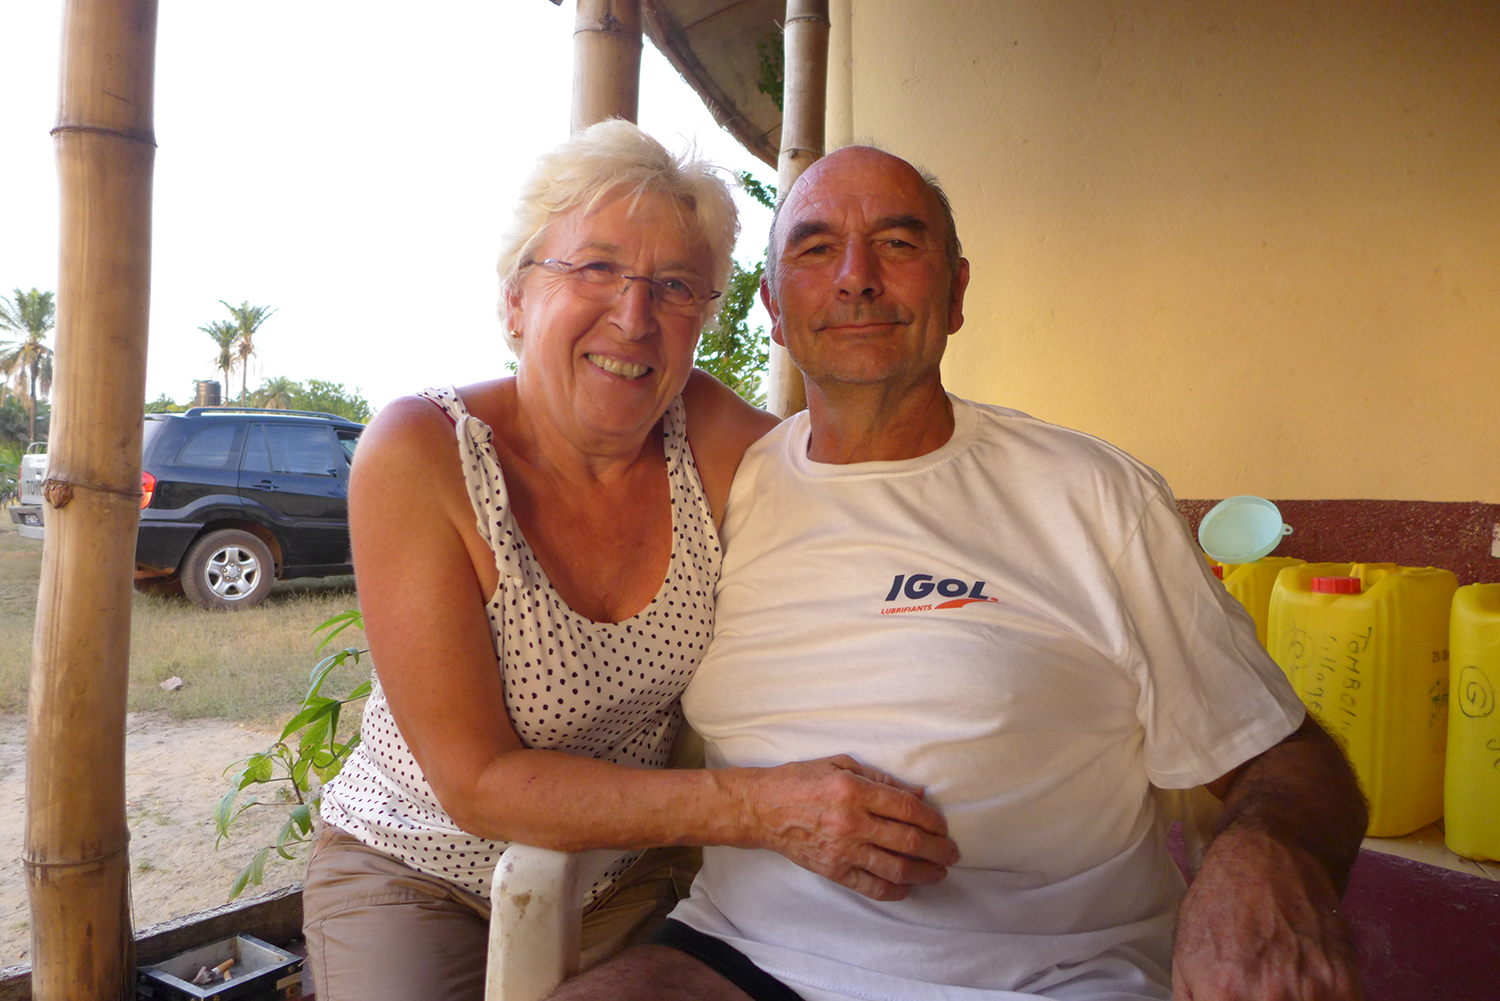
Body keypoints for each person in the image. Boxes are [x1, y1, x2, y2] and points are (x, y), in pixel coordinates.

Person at [551, 146, 1368, 1001]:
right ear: (775, 310)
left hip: (1047, 977)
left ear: (958, 294)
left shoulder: (1091, 495)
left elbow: (1287, 758)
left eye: (899, 245)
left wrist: (1263, 853)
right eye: (817, 249)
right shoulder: (727, 490)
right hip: (742, 958)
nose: (858, 277)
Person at [301, 125, 960, 1001]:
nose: (634, 314)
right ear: (516, 302)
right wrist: (765, 809)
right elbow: (478, 784)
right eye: (595, 269)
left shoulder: (709, 434)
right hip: (415, 865)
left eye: (675, 286)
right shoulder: (422, 452)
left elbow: (862, 485)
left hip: (625, 880)